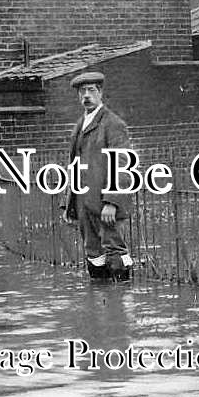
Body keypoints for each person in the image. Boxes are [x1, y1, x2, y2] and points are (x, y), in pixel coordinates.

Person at [62, 71, 134, 281]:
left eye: (91, 90)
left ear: (100, 92)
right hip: (84, 202)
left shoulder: (113, 123)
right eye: (82, 91)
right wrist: (69, 203)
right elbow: (73, 165)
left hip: (104, 205)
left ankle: (121, 307)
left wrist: (112, 202)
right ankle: (101, 304)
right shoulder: (79, 124)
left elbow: (123, 164)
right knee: (93, 254)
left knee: (114, 251)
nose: (86, 95)